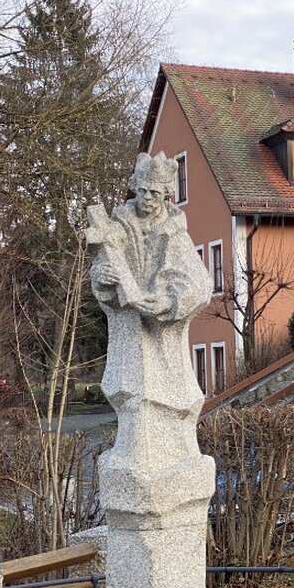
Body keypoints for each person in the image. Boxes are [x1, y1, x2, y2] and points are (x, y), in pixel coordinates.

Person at [89, 152, 212, 472]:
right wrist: (103, 281)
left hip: (164, 341)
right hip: (130, 338)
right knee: (134, 399)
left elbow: (199, 284)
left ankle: (174, 461)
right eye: (142, 190)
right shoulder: (117, 227)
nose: (147, 198)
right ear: (134, 186)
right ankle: (136, 460)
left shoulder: (174, 231)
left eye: (155, 193)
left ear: (166, 194)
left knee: (171, 402)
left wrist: (170, 303)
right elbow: (102, 274)